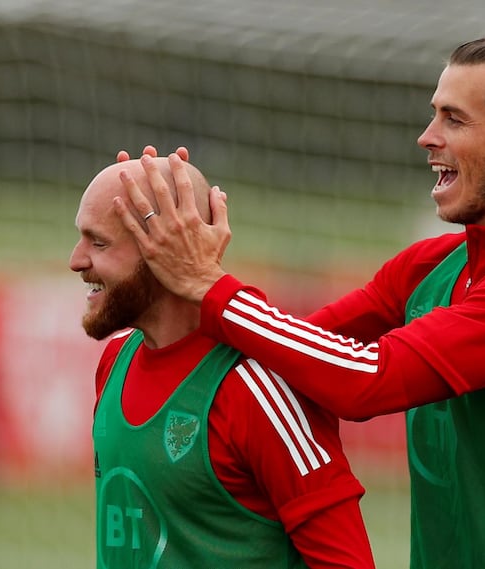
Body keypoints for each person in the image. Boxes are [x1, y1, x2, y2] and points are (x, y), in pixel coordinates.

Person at [117, 29, 485, 569]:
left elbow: (366, 380)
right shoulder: (433, 267)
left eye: (454, 119)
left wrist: (208, 285)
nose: (427, 136)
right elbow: (297, 350)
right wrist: (168, 302)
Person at [69, 158, 375, 568]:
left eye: (98, 243)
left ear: (163, 249)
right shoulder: (113, 363)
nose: (76, 260)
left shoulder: (255, 387)